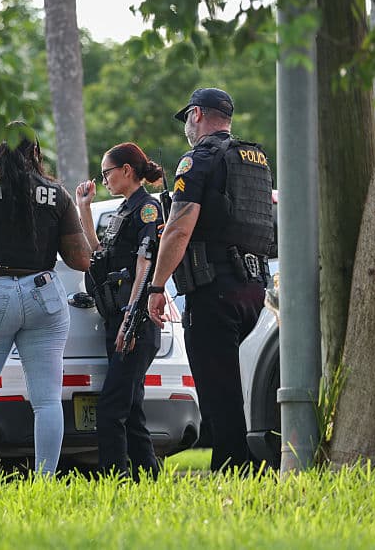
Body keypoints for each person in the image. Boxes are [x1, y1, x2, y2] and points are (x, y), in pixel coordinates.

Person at [0, 122, 92, 477]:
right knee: (47, 400)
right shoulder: (57, 194)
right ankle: (44, 482)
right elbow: (80, 259)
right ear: (36, 153)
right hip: (44, 295)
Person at [146, 88, 274, 472]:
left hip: (213, 290)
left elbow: (178, 230)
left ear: (197, 114)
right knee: (251, 388)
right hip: (256, 292)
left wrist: (156, 286)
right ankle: (257, 466)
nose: (187, 125)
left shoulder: (198, 159)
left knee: (220, 394)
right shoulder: (256, 158)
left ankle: (233, 471)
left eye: (187, 117)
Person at [75, 143, 164, 480]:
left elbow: (145, 264)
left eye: (107, 173)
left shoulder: (147, 209)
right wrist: (85, 209)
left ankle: (115, 478)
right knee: (131, 407)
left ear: (127, 170)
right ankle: (148, 478)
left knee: (111, 407)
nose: (104, 180)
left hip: (135, 322)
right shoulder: (122, 211)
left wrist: (130, 318)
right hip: (117, 319)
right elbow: (99, 253)